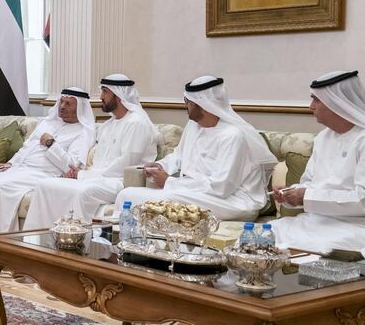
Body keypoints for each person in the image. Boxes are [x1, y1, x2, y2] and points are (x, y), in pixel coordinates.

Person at [0, 87, 96, 256]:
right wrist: (10, 163)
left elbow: (71, 167)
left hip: (43, 174)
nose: (62, 106)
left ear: (79, 108)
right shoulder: (47, 122)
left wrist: (51, 143)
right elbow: (26, 148)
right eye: (61, 102)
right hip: (20, 168)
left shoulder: (83, 131)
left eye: (68, 103)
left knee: (1, 187)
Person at [113, 76, 277, 221]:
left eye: (189, 103)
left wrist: (169, 182)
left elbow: (221, 187)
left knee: (169, 197)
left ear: (203, 105)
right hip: (195, 193)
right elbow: (178, 155)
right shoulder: (194, 126)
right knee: (126, 195)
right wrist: (161, 166)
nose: (185, 106)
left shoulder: (232, 135)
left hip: (234, 201)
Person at [24, 75, 158, 229]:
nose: (101, 97)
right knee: (46, 184)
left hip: (121, 181)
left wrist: (82, 175)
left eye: (105, 92)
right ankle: (36, 242)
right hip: (99, 177)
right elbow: (99, 162)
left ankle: (77, 243)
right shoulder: (108, 124)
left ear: (119, 96)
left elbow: (125, 165)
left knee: (85, 192)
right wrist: (81, 172)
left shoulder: (137, 123)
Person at [271, 71, 365, 255]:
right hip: (315, 221)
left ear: (337, 103)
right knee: (261, 235)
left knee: (309, 247)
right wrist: (290, 194)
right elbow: (309, 185)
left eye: (317, 100)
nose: (310, 106)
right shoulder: (323, 138)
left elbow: (362, 200)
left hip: (353, 226)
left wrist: (306, 196)